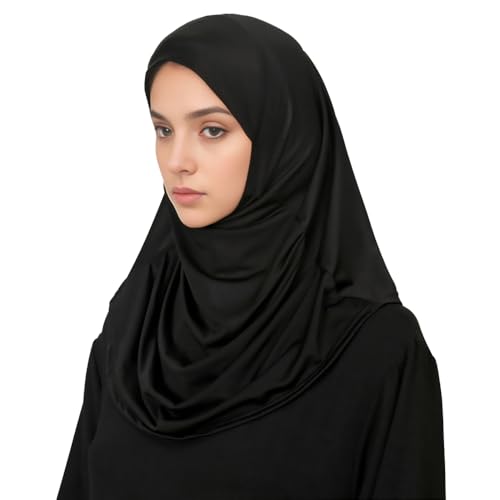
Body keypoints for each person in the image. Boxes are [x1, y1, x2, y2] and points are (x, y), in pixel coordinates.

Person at [56, 13, 446, 500]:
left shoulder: (377, 352)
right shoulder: (135, 326)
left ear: (285, 137)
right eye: (163, 129)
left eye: (211, 130)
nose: (177, 160)